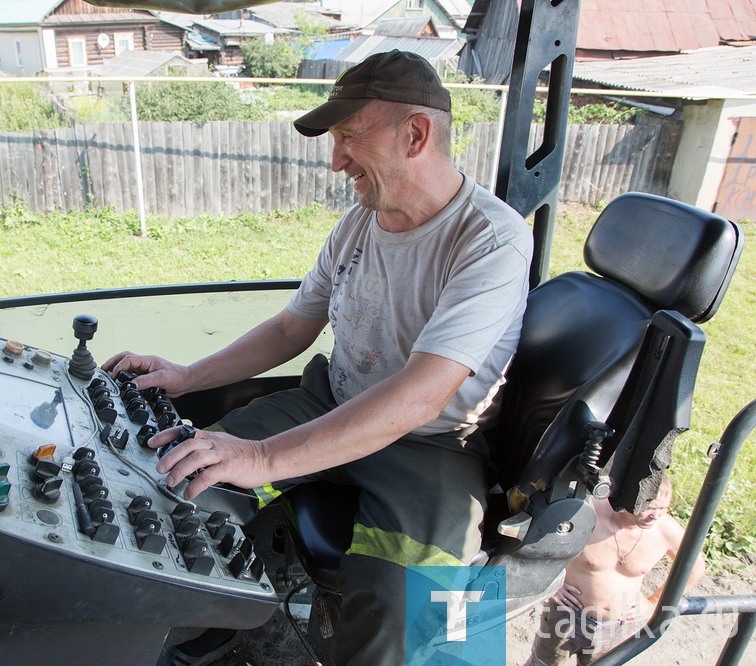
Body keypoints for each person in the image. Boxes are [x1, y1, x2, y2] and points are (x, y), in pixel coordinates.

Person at [103, 50, 533, 665]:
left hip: (432, 442)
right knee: (179, 483)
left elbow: (421, 395)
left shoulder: (491, 238)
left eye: (351, 137)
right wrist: (186, 376)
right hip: (325, 399)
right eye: (335, 141)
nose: (336, 162)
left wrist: (263, 457)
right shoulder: (359, 223)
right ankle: (202, 638)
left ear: (416, 134)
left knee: (412, 612)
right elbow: (290, 328)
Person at [525, 477, 707, 666]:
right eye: (650, 508)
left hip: (616, 626)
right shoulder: (588, 512)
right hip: (566, 613)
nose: (656, 515)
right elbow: (535, 540)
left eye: (663, 508)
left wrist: (653, 603)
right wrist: (549, 582)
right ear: (628, 499)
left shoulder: (665, 530)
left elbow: (695, 568)